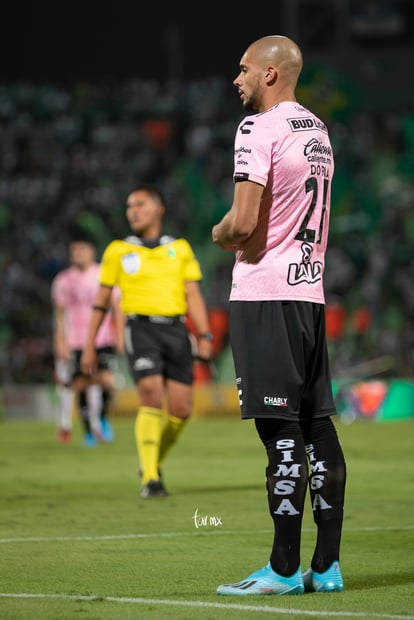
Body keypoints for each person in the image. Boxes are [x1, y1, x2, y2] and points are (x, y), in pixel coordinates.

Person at [211, 35, 346, 596]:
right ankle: (327, 566)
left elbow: (242, 226)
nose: (236, 79)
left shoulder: (256, 128)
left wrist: (216, 233)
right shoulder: (317, 131)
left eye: (243, 69)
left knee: (280, 431)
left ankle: (284, 569)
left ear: (270, 73)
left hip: (265, 292)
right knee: (318, 426)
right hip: (308, 293)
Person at [80, 184, 212, 498]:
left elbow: (192, 293)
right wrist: (89, 344)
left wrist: (205, 334)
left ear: (158, 208)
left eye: (139, 204)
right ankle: (151, 479)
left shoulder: (179, 248)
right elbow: (101, 301)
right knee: (151, 394)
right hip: (140, 328)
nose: (133, 211)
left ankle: (151, 462)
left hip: (177, 330)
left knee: (181, 411)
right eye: (129, 206)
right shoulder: (117, 250)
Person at [51, 230, 123, 446]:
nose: (78, 254)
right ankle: (90, 431)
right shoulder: (63, 280)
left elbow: (117, 308)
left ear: (92, 251)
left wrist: (120, 335)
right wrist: (60, 342)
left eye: (82, 249)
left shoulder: (104, 274)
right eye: (74, 250)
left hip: (103, 338)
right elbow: (59, 316)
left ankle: (101, 417)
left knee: (107, 380)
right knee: (81, 383)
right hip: (76, 340)